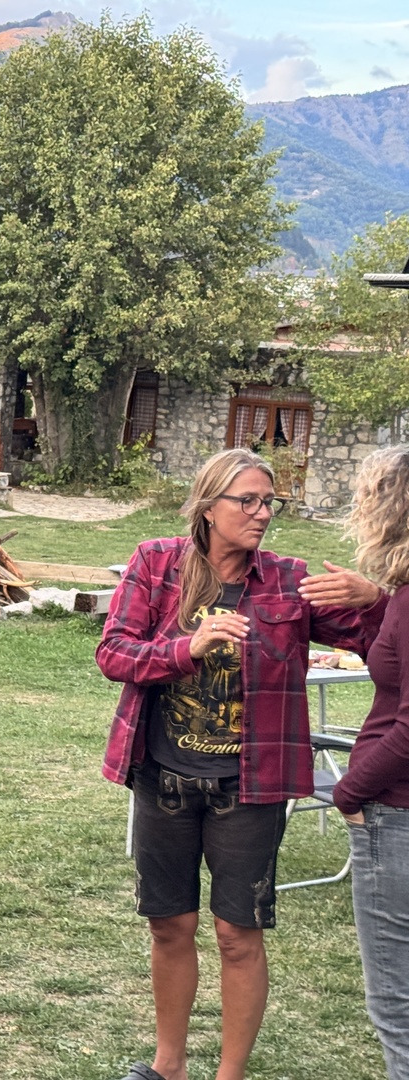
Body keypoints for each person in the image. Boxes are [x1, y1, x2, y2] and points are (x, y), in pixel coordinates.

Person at [97, 447, 386, 1080]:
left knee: (238, 935)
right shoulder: (156, 562)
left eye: (269, 502)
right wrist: (188, 647)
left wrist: (378, 599)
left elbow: (381, 642)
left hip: (250, 786)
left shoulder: (288, 580)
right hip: (163, 778)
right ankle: (168, 1066)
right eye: (247, 500)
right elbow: (114, 653)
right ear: (208, 507)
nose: (262, 513)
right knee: (169, 926)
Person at [333, 445, 409, 1080]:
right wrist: (379, 601)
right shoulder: (402, 600)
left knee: (398, 1005)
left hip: (397, 812)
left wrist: (349, 791)